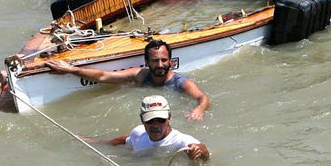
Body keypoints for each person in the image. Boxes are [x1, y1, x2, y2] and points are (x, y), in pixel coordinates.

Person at [44, 39, 211, 120]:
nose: (160, 64)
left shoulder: (180, 83)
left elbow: (203, 98)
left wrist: (199, 110)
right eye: (155, 60)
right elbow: (104, 76)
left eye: (164, 60)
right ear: (147, 62)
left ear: (170, 61)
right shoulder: (140, 75)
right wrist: (70, 70)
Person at [93, 94, 209, 161]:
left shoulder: (181, 141)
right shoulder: (137, 133)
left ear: (169, 117)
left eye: (160, 119)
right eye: (150, 120)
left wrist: (198, 151)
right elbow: (122, 141)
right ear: (142, 119)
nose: (155, 125)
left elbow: (203, 150)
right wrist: (93, 142)